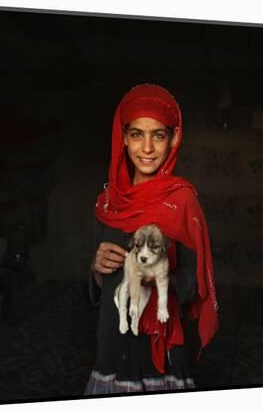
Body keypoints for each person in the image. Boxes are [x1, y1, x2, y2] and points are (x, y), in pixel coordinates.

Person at [84, 83, 219, 394]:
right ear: (123, 139)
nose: (146, 148)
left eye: (158, 135)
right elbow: (98, 286)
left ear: (173, 139)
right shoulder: (108, 202)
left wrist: (159, 278)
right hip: (113, 343)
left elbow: (195, 281)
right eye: (136, 135)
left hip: (162, 349)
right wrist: (95, 268)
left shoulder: (182, 200)